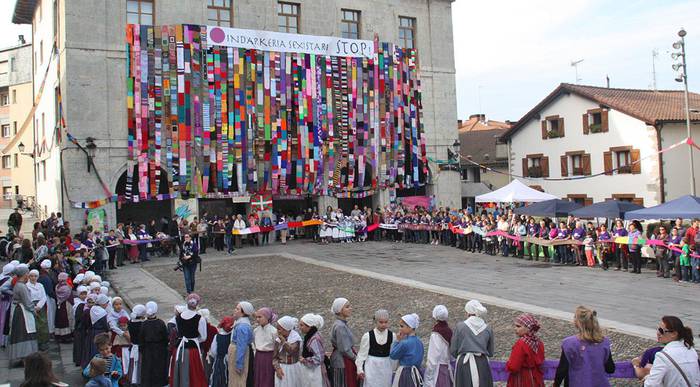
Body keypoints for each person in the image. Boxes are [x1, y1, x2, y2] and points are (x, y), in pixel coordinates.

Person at [554, 306, 614, 387]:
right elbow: (610, 369)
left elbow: (562, 370)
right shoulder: (604, 342)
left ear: (578, 322)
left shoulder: (569, 344)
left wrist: (556, 384)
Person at [642, 316, 700, 386]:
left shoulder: (663, 356)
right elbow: (697, 380)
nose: (658, 333)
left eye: (661, 330)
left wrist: (647, 378)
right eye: (658, 329)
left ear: (674, 334)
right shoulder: (691, 350)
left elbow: (651, 385)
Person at [451, 300, 494, 387]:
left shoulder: (460, 326)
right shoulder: (488, 328)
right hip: (482, 363)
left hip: (464, 363)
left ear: (468, 312)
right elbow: (490, 351)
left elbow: (454, 350)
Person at [170, 294, 208, 387]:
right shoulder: (200, 318)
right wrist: (194, 339)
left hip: (179, 348)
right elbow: (203, 337)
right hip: (192, 350)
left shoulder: (177, 317)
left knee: (179, 371)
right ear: (197, 304)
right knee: (193, 372)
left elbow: (178, 331)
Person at [355, 309, 396, 387]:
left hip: (386, 367)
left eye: (386, 322)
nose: (383, 324)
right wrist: (359, 369)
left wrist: (393, 369)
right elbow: (361, 355)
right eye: (381, 322)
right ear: (375, 322)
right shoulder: (368, 336)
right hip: (371, 367)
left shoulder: (392, 336)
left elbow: (393, 355)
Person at [9, 265, 38, 365]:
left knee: (21, 333)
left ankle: (24, 357)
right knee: (24, 334)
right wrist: (34, 311)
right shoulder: (21, 286)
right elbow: (28, 302)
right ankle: (26, 357)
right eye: (27, 273)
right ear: (25, 274)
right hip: (23, 312)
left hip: (20, 311)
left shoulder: (18, 285)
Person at [505, 313, 545, 387]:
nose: (515, 328)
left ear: (528, 328)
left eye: (518, 326)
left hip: (523, 379)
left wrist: (507, 364)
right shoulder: (539, 342)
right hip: (537, 379)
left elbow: (513, 366)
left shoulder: (521, 344)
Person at [139, 301, 170, 387]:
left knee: (148, 368)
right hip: (159, 350)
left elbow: (141, 338)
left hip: (148, 350)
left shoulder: (144, 324)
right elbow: (166, 337)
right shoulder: (161, 323)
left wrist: (142, 349)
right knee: (159, 368)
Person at [389, 313, 424, 387]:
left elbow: (393, 355)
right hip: (417, 372)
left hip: (405, 374)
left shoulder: (404, 343)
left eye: (402, 326)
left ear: (410, 327)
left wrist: (397, 341)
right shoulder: (419, 342)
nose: (400, 328)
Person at [330, 297, 358, 387]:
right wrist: (356, 359)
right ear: (340, 310)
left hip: (342, 359)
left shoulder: (341, 324)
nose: (350, 308)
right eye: (347, 307)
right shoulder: (340, 326)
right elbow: (344, 349)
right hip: (342, 361)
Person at [424, 305, 452, 387]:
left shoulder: (436, 333)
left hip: (438, 370)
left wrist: (429, 373)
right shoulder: (449, 331)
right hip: (447, 367)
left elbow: (433, 355)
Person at [299, 313, 330, 387]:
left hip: (315, 371)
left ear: (309, 326)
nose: (300, 327)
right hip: (312, 370)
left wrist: (304, 360)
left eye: (302, 325)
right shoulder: (311, 336)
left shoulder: (314, 339)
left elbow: (319, 358)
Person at [229, 301, 255, 387]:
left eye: (237, 309)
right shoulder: (240, 323)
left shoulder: (242, 326)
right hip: (236, 351)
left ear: (243, 312)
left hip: (238, 353)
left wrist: (239, 364)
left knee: (239, 381)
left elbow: (241, 346)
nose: (235, 310)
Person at [273, 316, 304, 387]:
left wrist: (284, 341)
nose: (277, 331)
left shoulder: (296, 339)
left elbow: (292, 351)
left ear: (286, 329)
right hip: (282, 368)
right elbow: (274, 357)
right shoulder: (278, 340)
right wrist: (277, 368)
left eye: (279, 329)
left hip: (293, 368)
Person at [255, 307, 279, 387]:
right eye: (257, 317)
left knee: (267, 377)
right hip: (258, 356)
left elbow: (277, 346)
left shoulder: (274, 331)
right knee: (259, 376)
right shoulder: (256, 330)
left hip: (269, 357)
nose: (258, 319)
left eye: (260, 317)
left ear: (267, 317)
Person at [27, 269, 49, 351]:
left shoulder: (40, 285)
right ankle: (34, 343)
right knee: (33, 325)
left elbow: (44, 296)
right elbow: (27, 298)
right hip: (31, 306)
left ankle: (42, 343)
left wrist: (39, 306)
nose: (33, 278)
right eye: (31, 276)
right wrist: (33, 307)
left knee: (42, 324)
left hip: (40, 307)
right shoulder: (27, 286)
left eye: (35, 276)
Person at [209, 316, 234, 387]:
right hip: (230, 361)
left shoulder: (217, 336)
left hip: (219, 360)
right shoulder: (232, 337)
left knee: (218, 377)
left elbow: (213, 351)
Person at [126, 304, 146, 386]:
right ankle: (139, 380)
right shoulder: (143, 325)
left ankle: (132, 380)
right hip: (141, 348)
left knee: (133, 364)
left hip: (133, 346)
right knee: (140, 364)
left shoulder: (130, 322)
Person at [53, 272, 73, 343]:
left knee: (60, 319)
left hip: (60, 305)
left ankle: (59, 335)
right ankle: (66, 336)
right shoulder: (66, 287)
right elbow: (67, 295)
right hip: (65, 304)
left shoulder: (57, 286)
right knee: (65, 319)